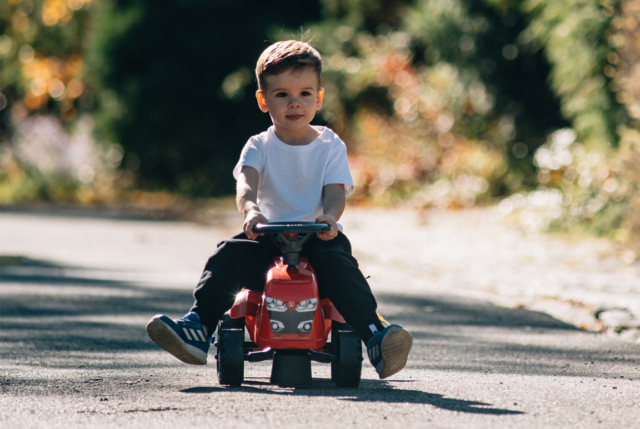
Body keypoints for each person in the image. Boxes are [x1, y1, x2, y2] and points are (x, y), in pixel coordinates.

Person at [146, 40, 412, 379]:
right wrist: (251, 212)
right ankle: (197, 325)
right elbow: (246, 185)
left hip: (319, 238)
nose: (294, 103)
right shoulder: (258, 146)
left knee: (344, 273)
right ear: (263, 100)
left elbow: (334, 192)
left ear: (319, 97)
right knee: (227, 255)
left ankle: (376, 334)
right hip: (268, 238)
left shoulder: (330, 145)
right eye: (282, 94)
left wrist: (330, 217)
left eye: (304, 93)